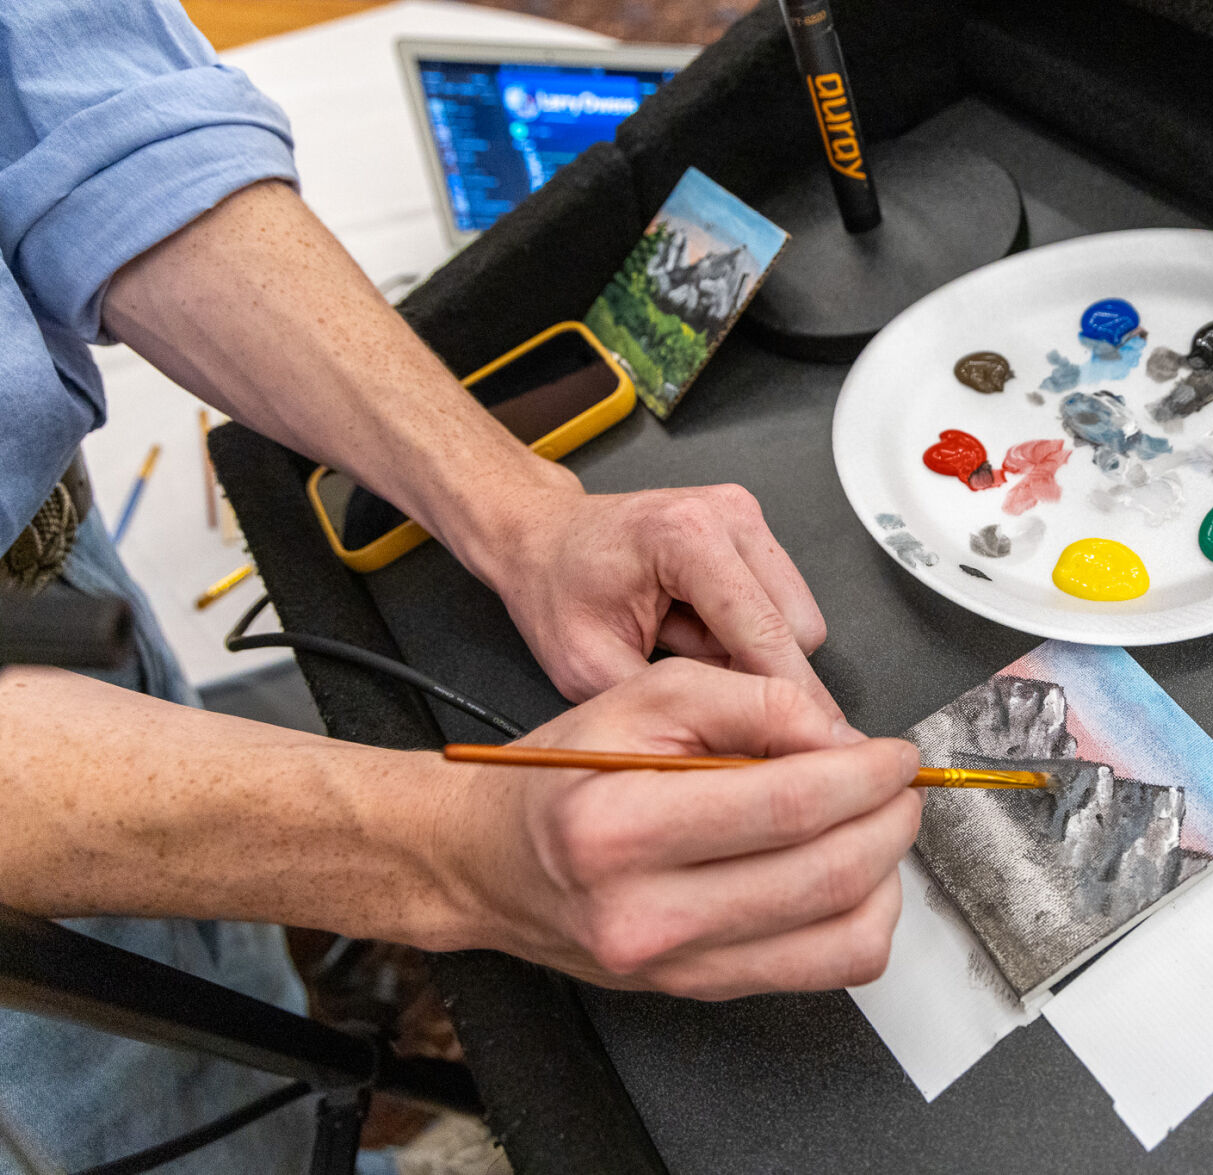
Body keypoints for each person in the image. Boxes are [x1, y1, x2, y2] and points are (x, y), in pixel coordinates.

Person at [0, 3, 921, 1171]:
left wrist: (527, 514)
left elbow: (91, 123)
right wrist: (448, 847)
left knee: (228, 1019)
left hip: (49, 574)